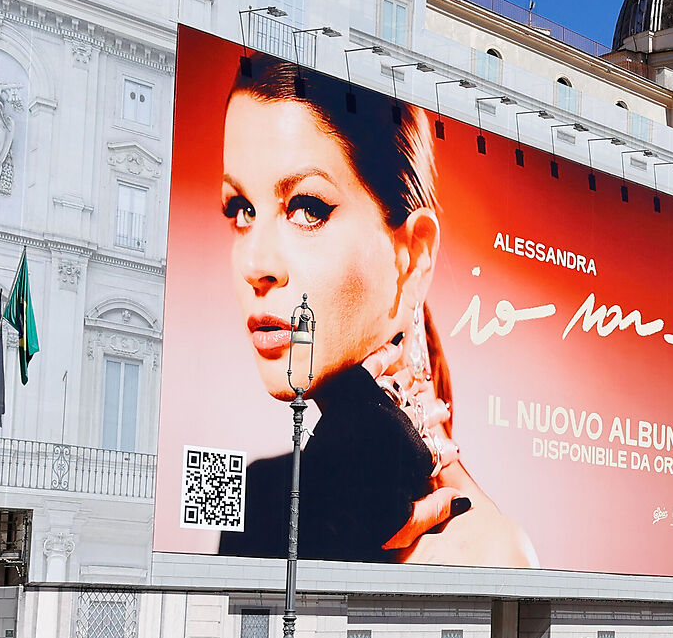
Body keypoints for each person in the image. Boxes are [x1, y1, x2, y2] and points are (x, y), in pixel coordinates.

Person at [214, 52, 532, 567]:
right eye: (242, 210)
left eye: (306, 207)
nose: (255, 263)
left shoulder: (483, 549)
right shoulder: (259, 492)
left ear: (412, 255)